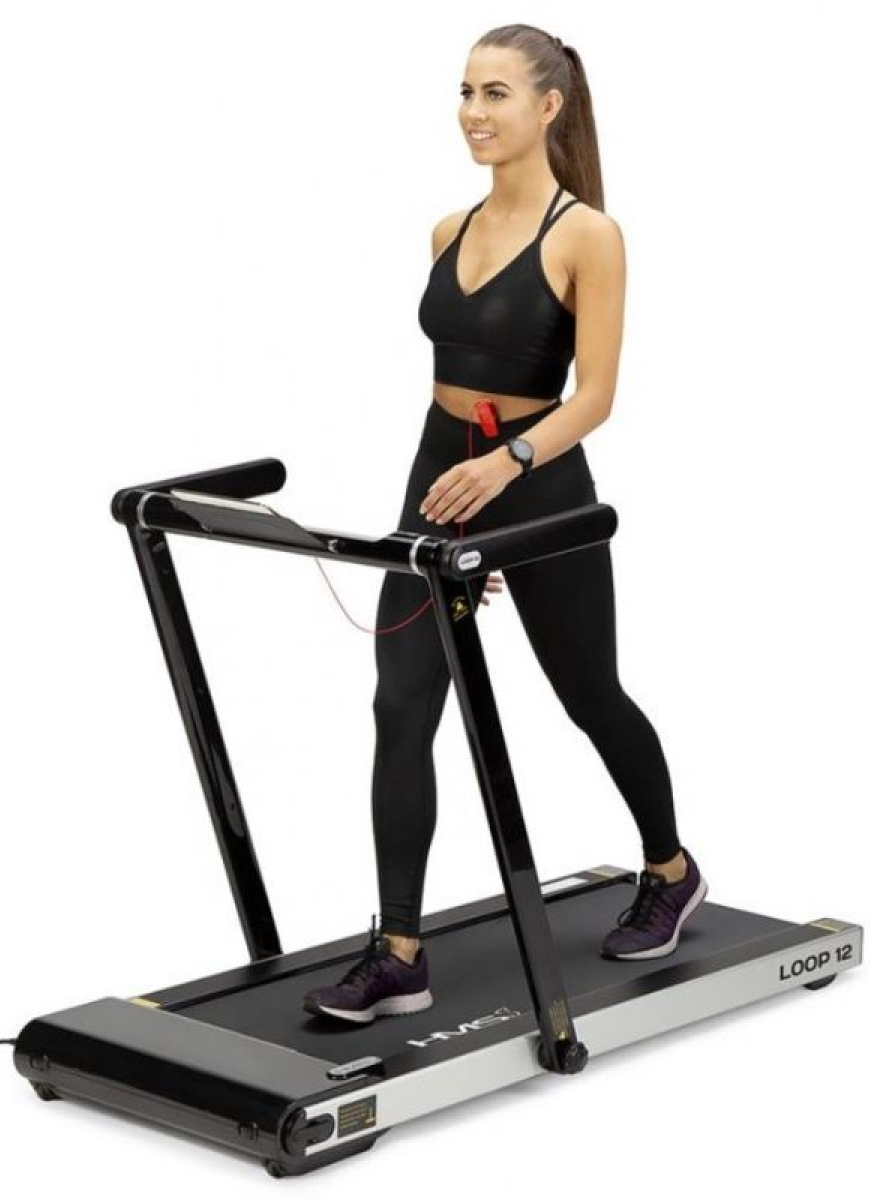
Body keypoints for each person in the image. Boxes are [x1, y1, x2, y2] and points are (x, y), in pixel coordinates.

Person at [303, 25, 706, 1025]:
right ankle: (400, 952)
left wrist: (507, 466)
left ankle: (670, 869)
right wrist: (458, 495)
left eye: (495, 93)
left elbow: (596, 394)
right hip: (442, 475)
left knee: (588, 694)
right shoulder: (449, 229)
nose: (473, 113)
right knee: (402, 703)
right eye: (465, 92)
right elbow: (453, 382)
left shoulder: (588, 235)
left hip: (539, 484)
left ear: (548, 106)